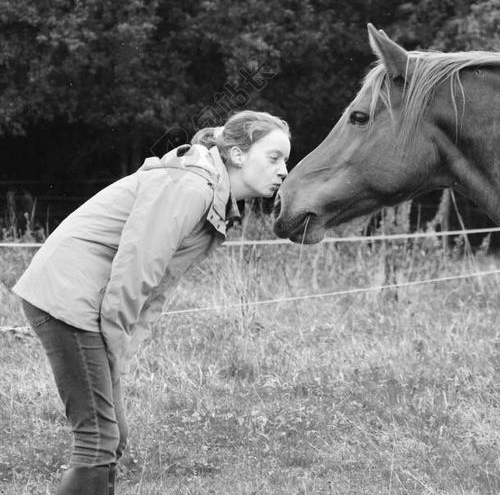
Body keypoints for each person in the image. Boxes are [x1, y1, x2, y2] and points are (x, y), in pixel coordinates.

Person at [13, 110, 291, 495]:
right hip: (68, 296)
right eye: (274, 157)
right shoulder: (192, 187)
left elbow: (157, 286)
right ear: (238, 154)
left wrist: (120, 350)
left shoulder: (209, 191)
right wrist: (113, 341)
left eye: (286, 161)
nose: (283, 171)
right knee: (98, 436)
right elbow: (136, 267)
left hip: (84, 299)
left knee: (113, 433)